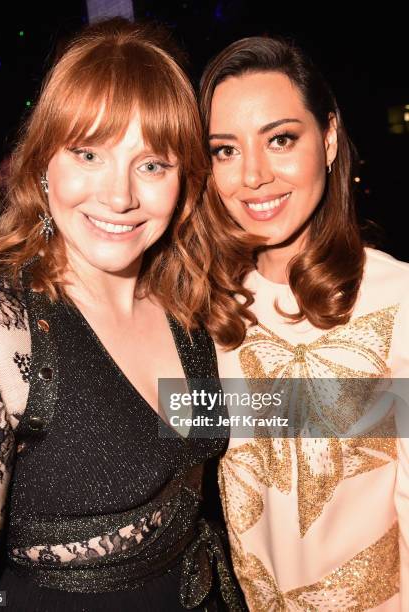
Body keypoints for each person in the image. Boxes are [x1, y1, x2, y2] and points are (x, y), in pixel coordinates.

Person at [0, 19, 244, 612]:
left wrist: (390, 399)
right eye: (89, 153)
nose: (120, 195)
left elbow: (258, 413)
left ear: (184, 181)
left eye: (152, 164)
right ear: (42, 164)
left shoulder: (184, 303)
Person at [176, 36, 409, 610]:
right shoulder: (202, 306)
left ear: (328, 138)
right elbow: (181, 429)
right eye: (225, 150)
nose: (253, 176)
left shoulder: (398, 299)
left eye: (281, 139)